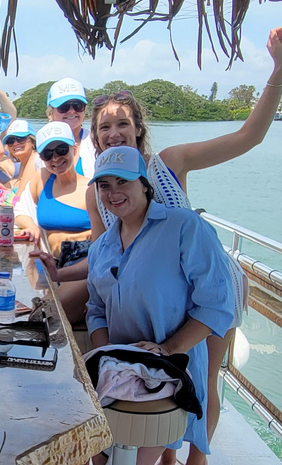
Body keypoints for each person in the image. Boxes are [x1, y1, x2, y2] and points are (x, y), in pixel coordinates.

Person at [88, 25, 282, 465]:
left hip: (206, 282)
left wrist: (279, 70)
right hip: (150, 288)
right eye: (106, 126)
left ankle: (194, 459)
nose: (115, 131)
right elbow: (104, 259)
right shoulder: (99, 191)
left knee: (201, 381)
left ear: (138, 126)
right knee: (164, 395)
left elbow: (248, 137)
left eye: (123, 122)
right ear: (96, 135)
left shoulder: (170, 163)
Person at [86, 146, 234, 465]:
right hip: (116, 373)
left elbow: (217, 304)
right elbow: (95, 309)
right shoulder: (101, 248)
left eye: (122, 181)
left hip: (169, 374)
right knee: (95, 454)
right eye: (104, 185)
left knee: (134, 456)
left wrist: (167, 349)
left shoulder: (185, 228)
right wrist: (111, 357)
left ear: (144, 183)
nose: (113, 193)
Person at [14, 121, 91, 321]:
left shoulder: (91, 189)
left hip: (84, 262)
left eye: (61, 149)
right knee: (25, 313)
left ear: (74, 149)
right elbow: (20, 209)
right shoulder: (43, 180)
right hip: (54, 264)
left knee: (44, 316)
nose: (55, 158)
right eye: (48, 154)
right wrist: (30, 225)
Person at [42, 77, 98, 178]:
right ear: (50, 113)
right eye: (64, 107)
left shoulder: (97, 142)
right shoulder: (41, 145)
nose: (72, 111)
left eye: (78, 105)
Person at [1, 119, 37, 195]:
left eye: (21, 139)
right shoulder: (24, 163)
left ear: (32, 142)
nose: (15, 143)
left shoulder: (35, 159)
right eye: (10, 141)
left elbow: (20, 197)